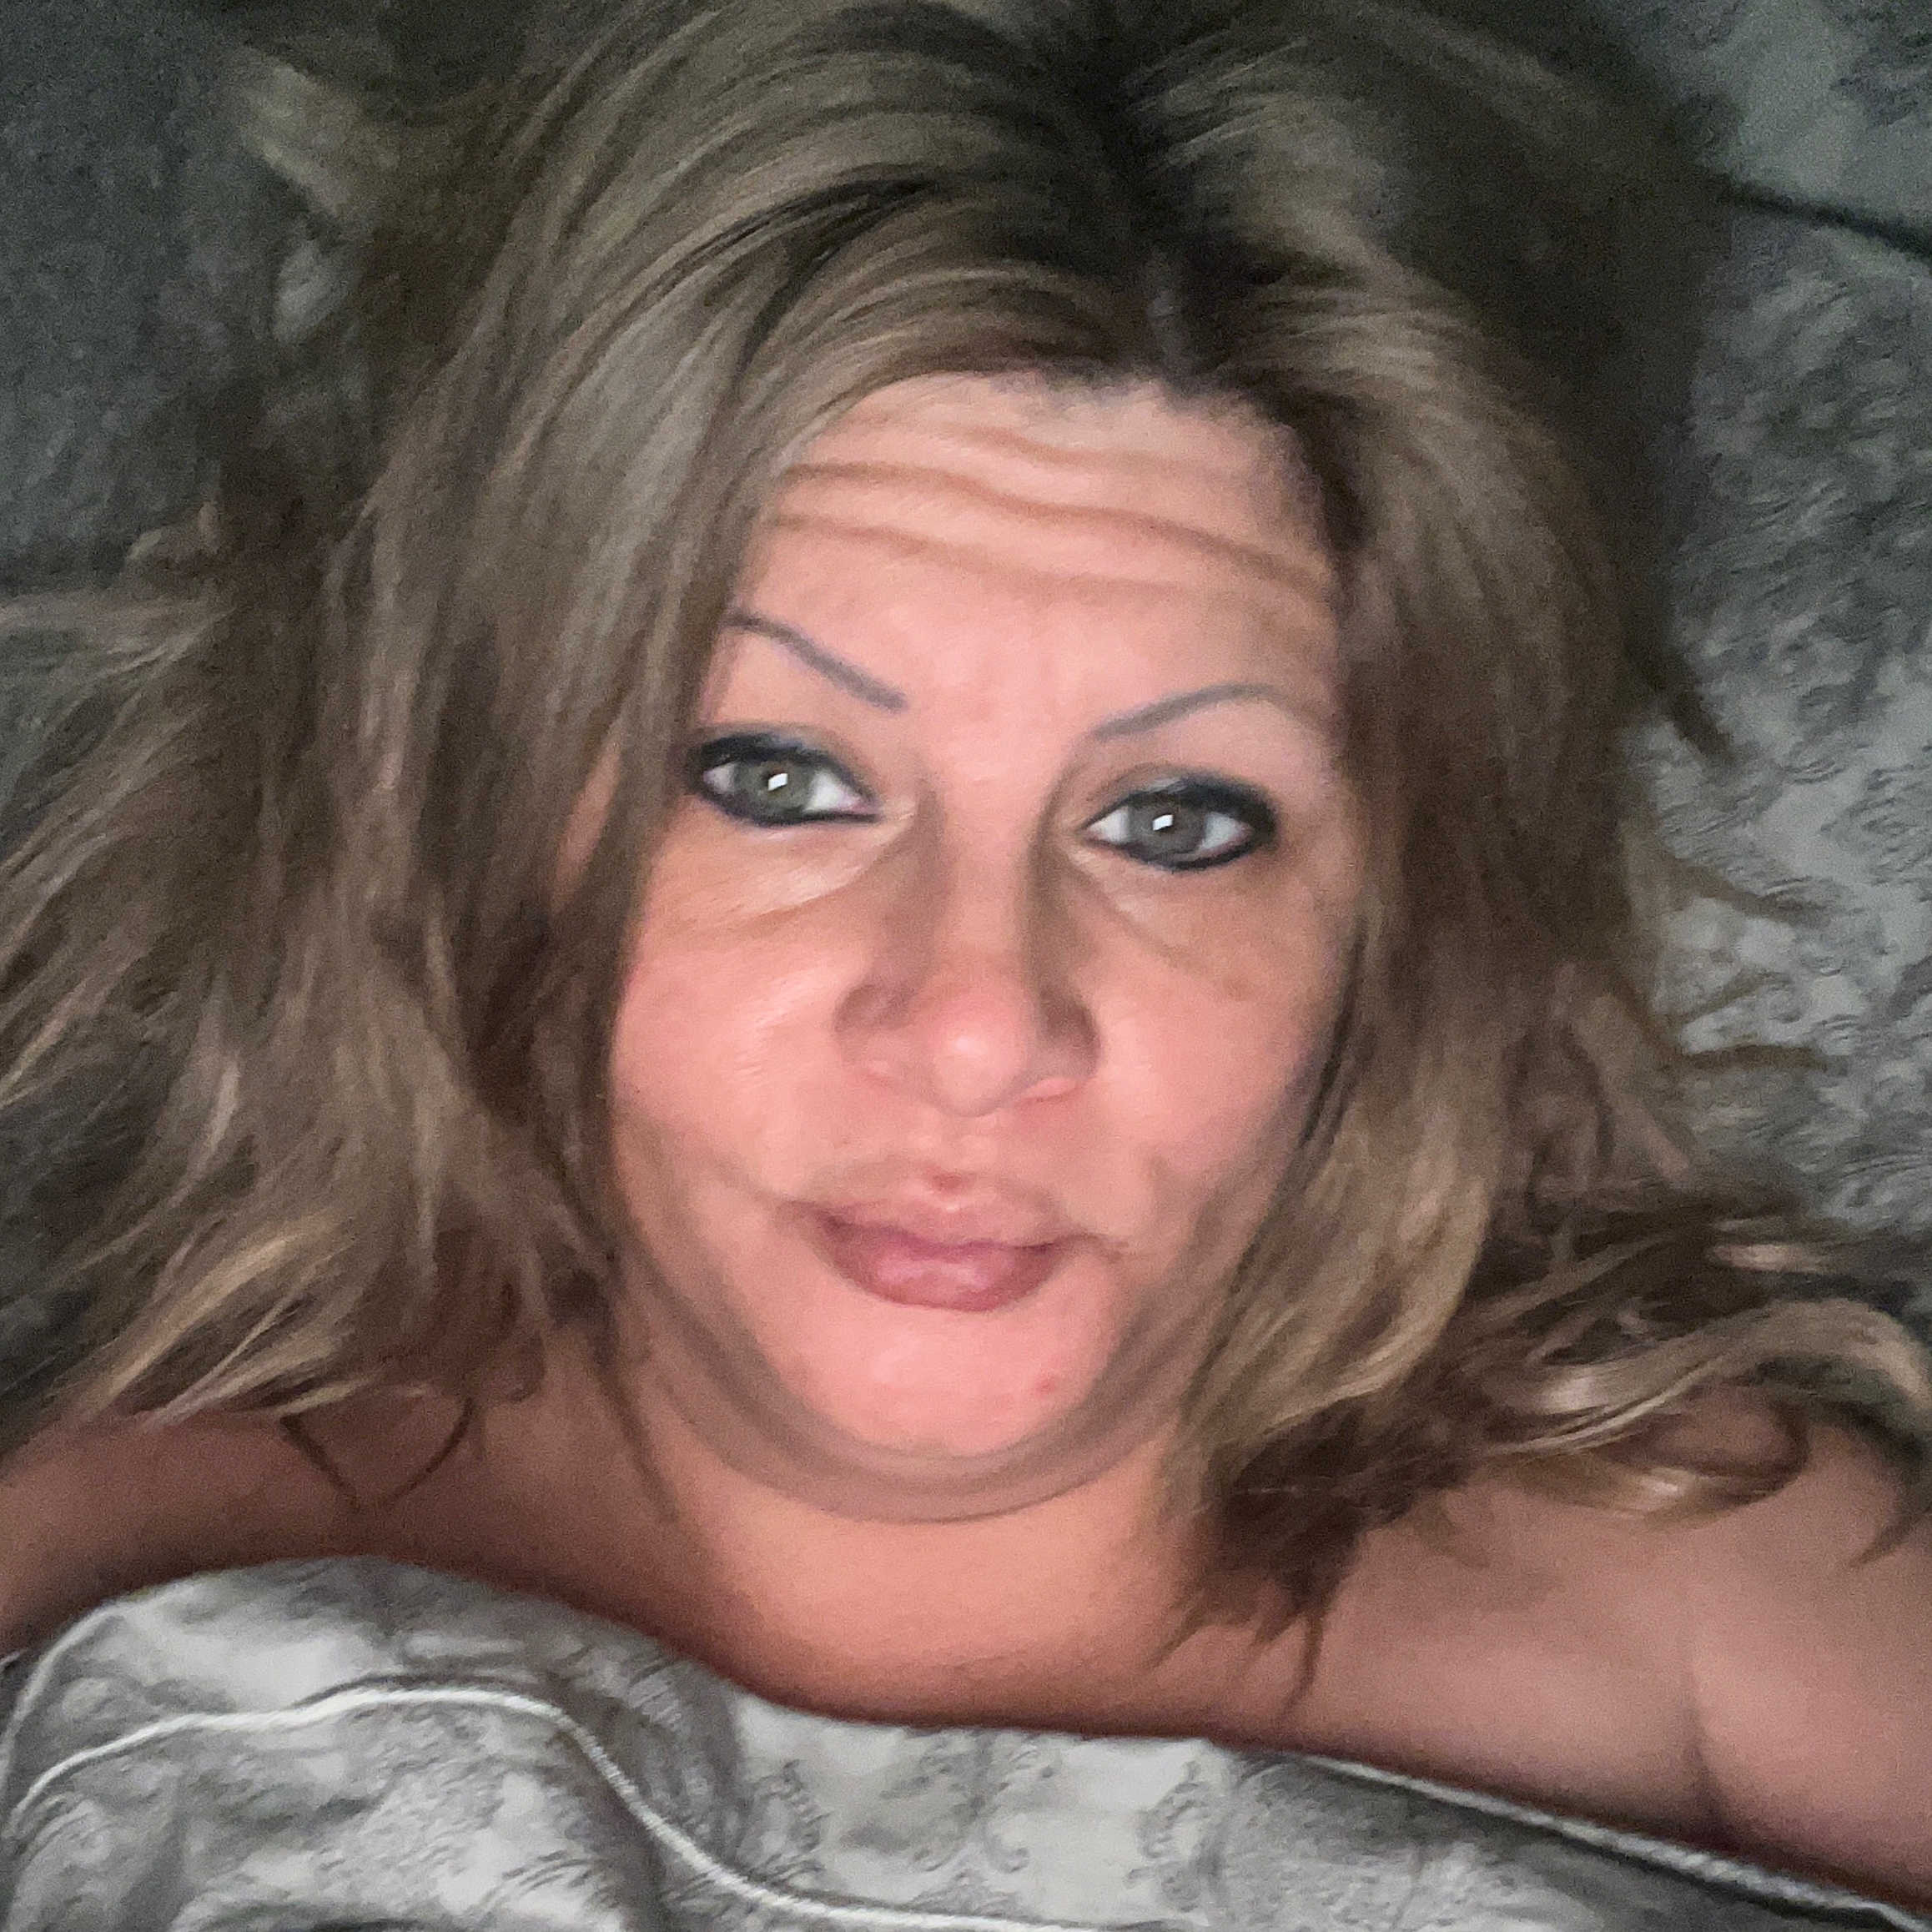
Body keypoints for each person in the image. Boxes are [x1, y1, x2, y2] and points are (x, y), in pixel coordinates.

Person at [0, 0, 1928, 1905]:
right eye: (775, 781)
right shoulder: (116, 1586)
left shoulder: (1735, 1590)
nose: (980, 1027)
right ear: (488, 829)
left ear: (1394, 923)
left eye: (1177, 824)